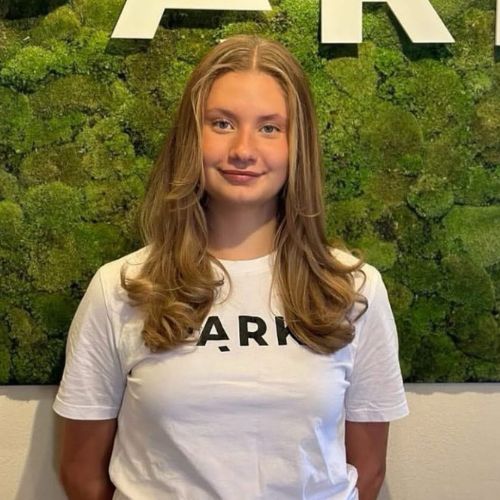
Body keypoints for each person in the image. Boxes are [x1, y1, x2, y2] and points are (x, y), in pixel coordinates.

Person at [53, 34, 409, 500]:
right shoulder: (122, 287)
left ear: (297, 145)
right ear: (191, 137)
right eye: (222, 123)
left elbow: (368, 470)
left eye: (269, 128)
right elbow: (82, 473)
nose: (243, 148)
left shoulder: (354, 290)